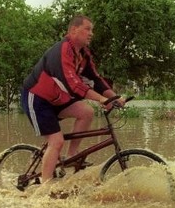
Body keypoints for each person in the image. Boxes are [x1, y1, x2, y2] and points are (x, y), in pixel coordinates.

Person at [21, 15, 123, 183]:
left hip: (56, 98)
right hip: (37, 97)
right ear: (74, 30)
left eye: (92, 30)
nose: (91, 34)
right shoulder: (62, 50)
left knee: (86, 112)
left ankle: (72, 156)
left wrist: (115, 98)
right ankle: (45, 190)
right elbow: (73, 85)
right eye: (88, 29)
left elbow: (96, 79)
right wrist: (102, 100)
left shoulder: (83, 54)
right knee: (56, 141)